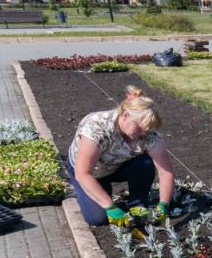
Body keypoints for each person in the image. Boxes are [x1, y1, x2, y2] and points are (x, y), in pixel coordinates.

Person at [67, 85, 175, 227]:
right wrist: (110, 207)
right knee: (97, 219)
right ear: (124, 116)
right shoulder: (97, 128)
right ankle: (94, 190)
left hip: (116, 167)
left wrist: (163, 205)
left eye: (146, 130)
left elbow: (165, 173)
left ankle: (137, 202)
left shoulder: (148, 134)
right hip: (88, 173)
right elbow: (83, 174)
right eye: (139, 128)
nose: (143, 134)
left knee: (145, 163)